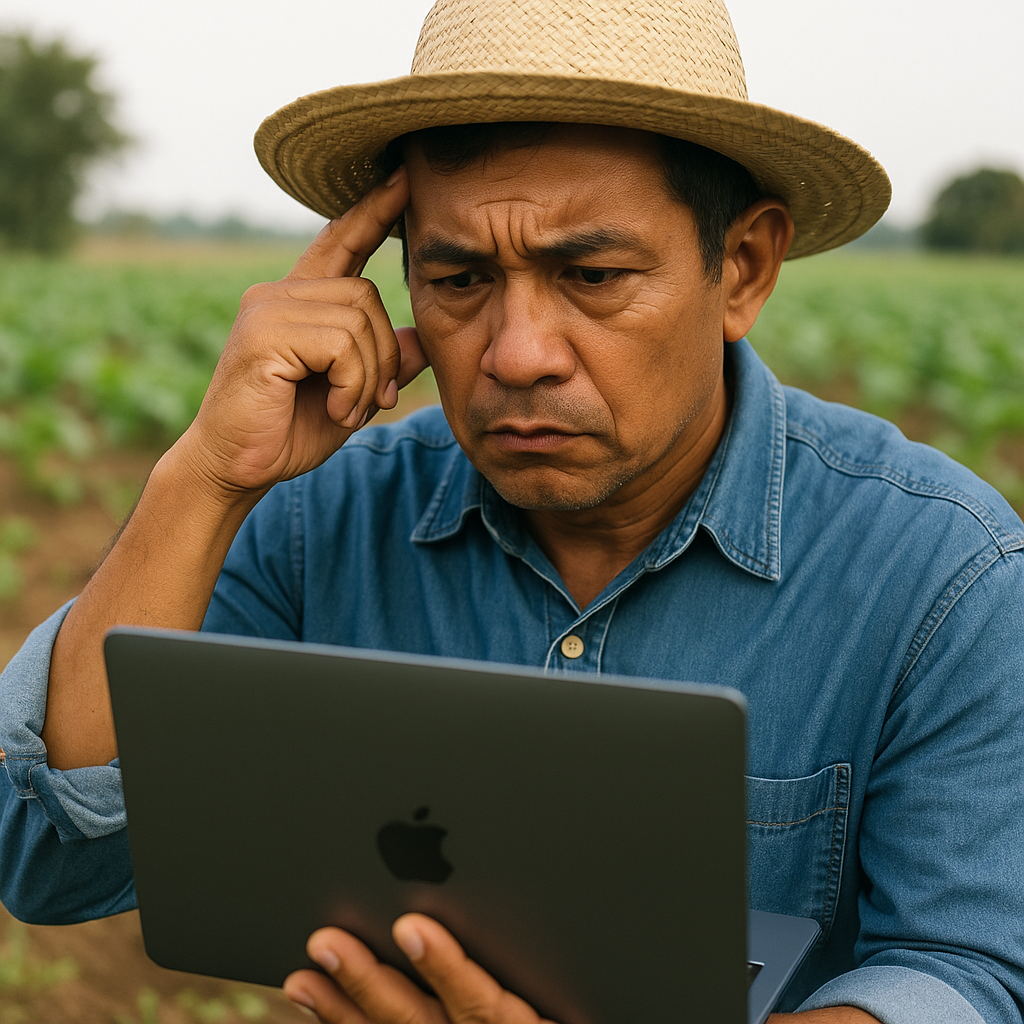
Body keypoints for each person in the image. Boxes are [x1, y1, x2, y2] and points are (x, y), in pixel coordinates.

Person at [1, 0, 1023, 1021]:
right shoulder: (316, 527)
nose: (516, 352)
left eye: (591, 276)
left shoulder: (944, 576)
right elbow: (49, 860)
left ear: (742, 268)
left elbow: (966, 969)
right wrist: (206, 476)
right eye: (458, 278)